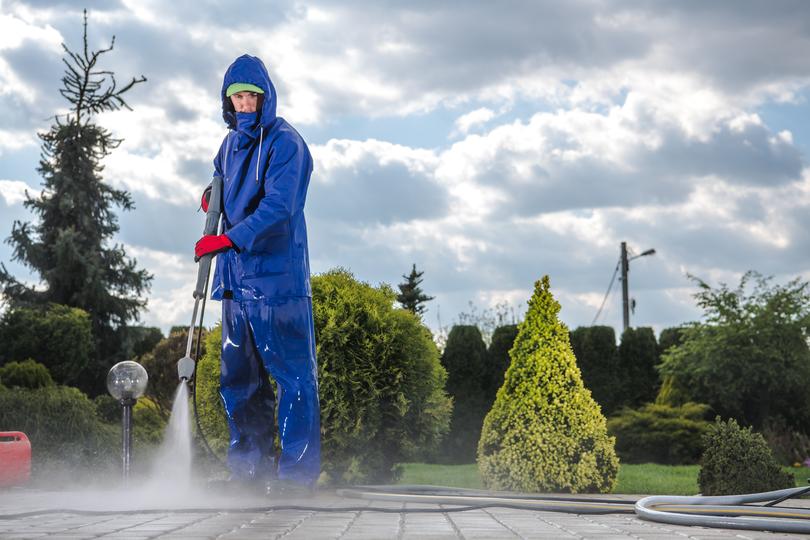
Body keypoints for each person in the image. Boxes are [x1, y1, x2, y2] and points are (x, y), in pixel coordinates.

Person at [194, 54, 319, 495]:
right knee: (239, 380)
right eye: (237, 97)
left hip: (277, 282)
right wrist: (211, 195)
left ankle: (297, 478)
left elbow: (279, 207)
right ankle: (248, 473)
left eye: (251, 96)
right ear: (228, 102)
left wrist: (229, 238)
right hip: (235, 283)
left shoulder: (287, 143)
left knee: (293, 380)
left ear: (265, 98)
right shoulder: (228, 145)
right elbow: (220, 181)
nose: (245, 104)